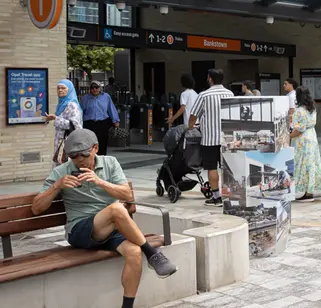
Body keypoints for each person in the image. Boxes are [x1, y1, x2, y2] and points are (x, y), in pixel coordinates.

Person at [31, 130, 177, 308]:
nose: (79, 160)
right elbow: (36, 208)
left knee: (134, 253)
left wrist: (99, 182)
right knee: (116, 209)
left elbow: (126, 194)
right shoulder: (61, 172)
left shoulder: (110, 163)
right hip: (80, 229)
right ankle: (152, 254)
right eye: (73, 156)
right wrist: (57, 185)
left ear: (95, 148)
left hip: (110, 228)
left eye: (83, 154)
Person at [187, 69, 234, 206]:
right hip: (227, 139)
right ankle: (229, 195)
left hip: (209, 140)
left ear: (210, 79)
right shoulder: (229, 93)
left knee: (212, 168)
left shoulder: (204, 95)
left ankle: (216, 197)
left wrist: (190, 126)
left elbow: (193, 115)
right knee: (227, 169)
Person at [291, 86, 321, 201]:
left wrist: (289, 136)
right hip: (312, 137)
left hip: (302, 140)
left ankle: (305, 189)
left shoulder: (299, 111)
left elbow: (299, 129)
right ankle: (310, 189)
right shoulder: (312, 108)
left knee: (301, 163)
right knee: (311, 163)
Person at [44, 79, 83, 167]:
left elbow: (75, 125)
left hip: (69, 143)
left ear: (69, 90)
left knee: (66, 168)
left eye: (63, 88)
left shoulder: (72, 105)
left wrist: (55, 118)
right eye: (58, 88)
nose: (60, 90)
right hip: (60, 141)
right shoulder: (61, 104)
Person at [80, 80, 120, 156]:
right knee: (90, 143)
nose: (94, 89)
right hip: (89, 123)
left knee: (102, 142)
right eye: (92, 87)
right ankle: (91, 159)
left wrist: (116, 120)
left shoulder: (106, 97)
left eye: (96, 87)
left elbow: (111, 108)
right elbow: (81, 111)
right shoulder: (85, 98)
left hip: (103, 123)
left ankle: (102, 159)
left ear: (100, 88)